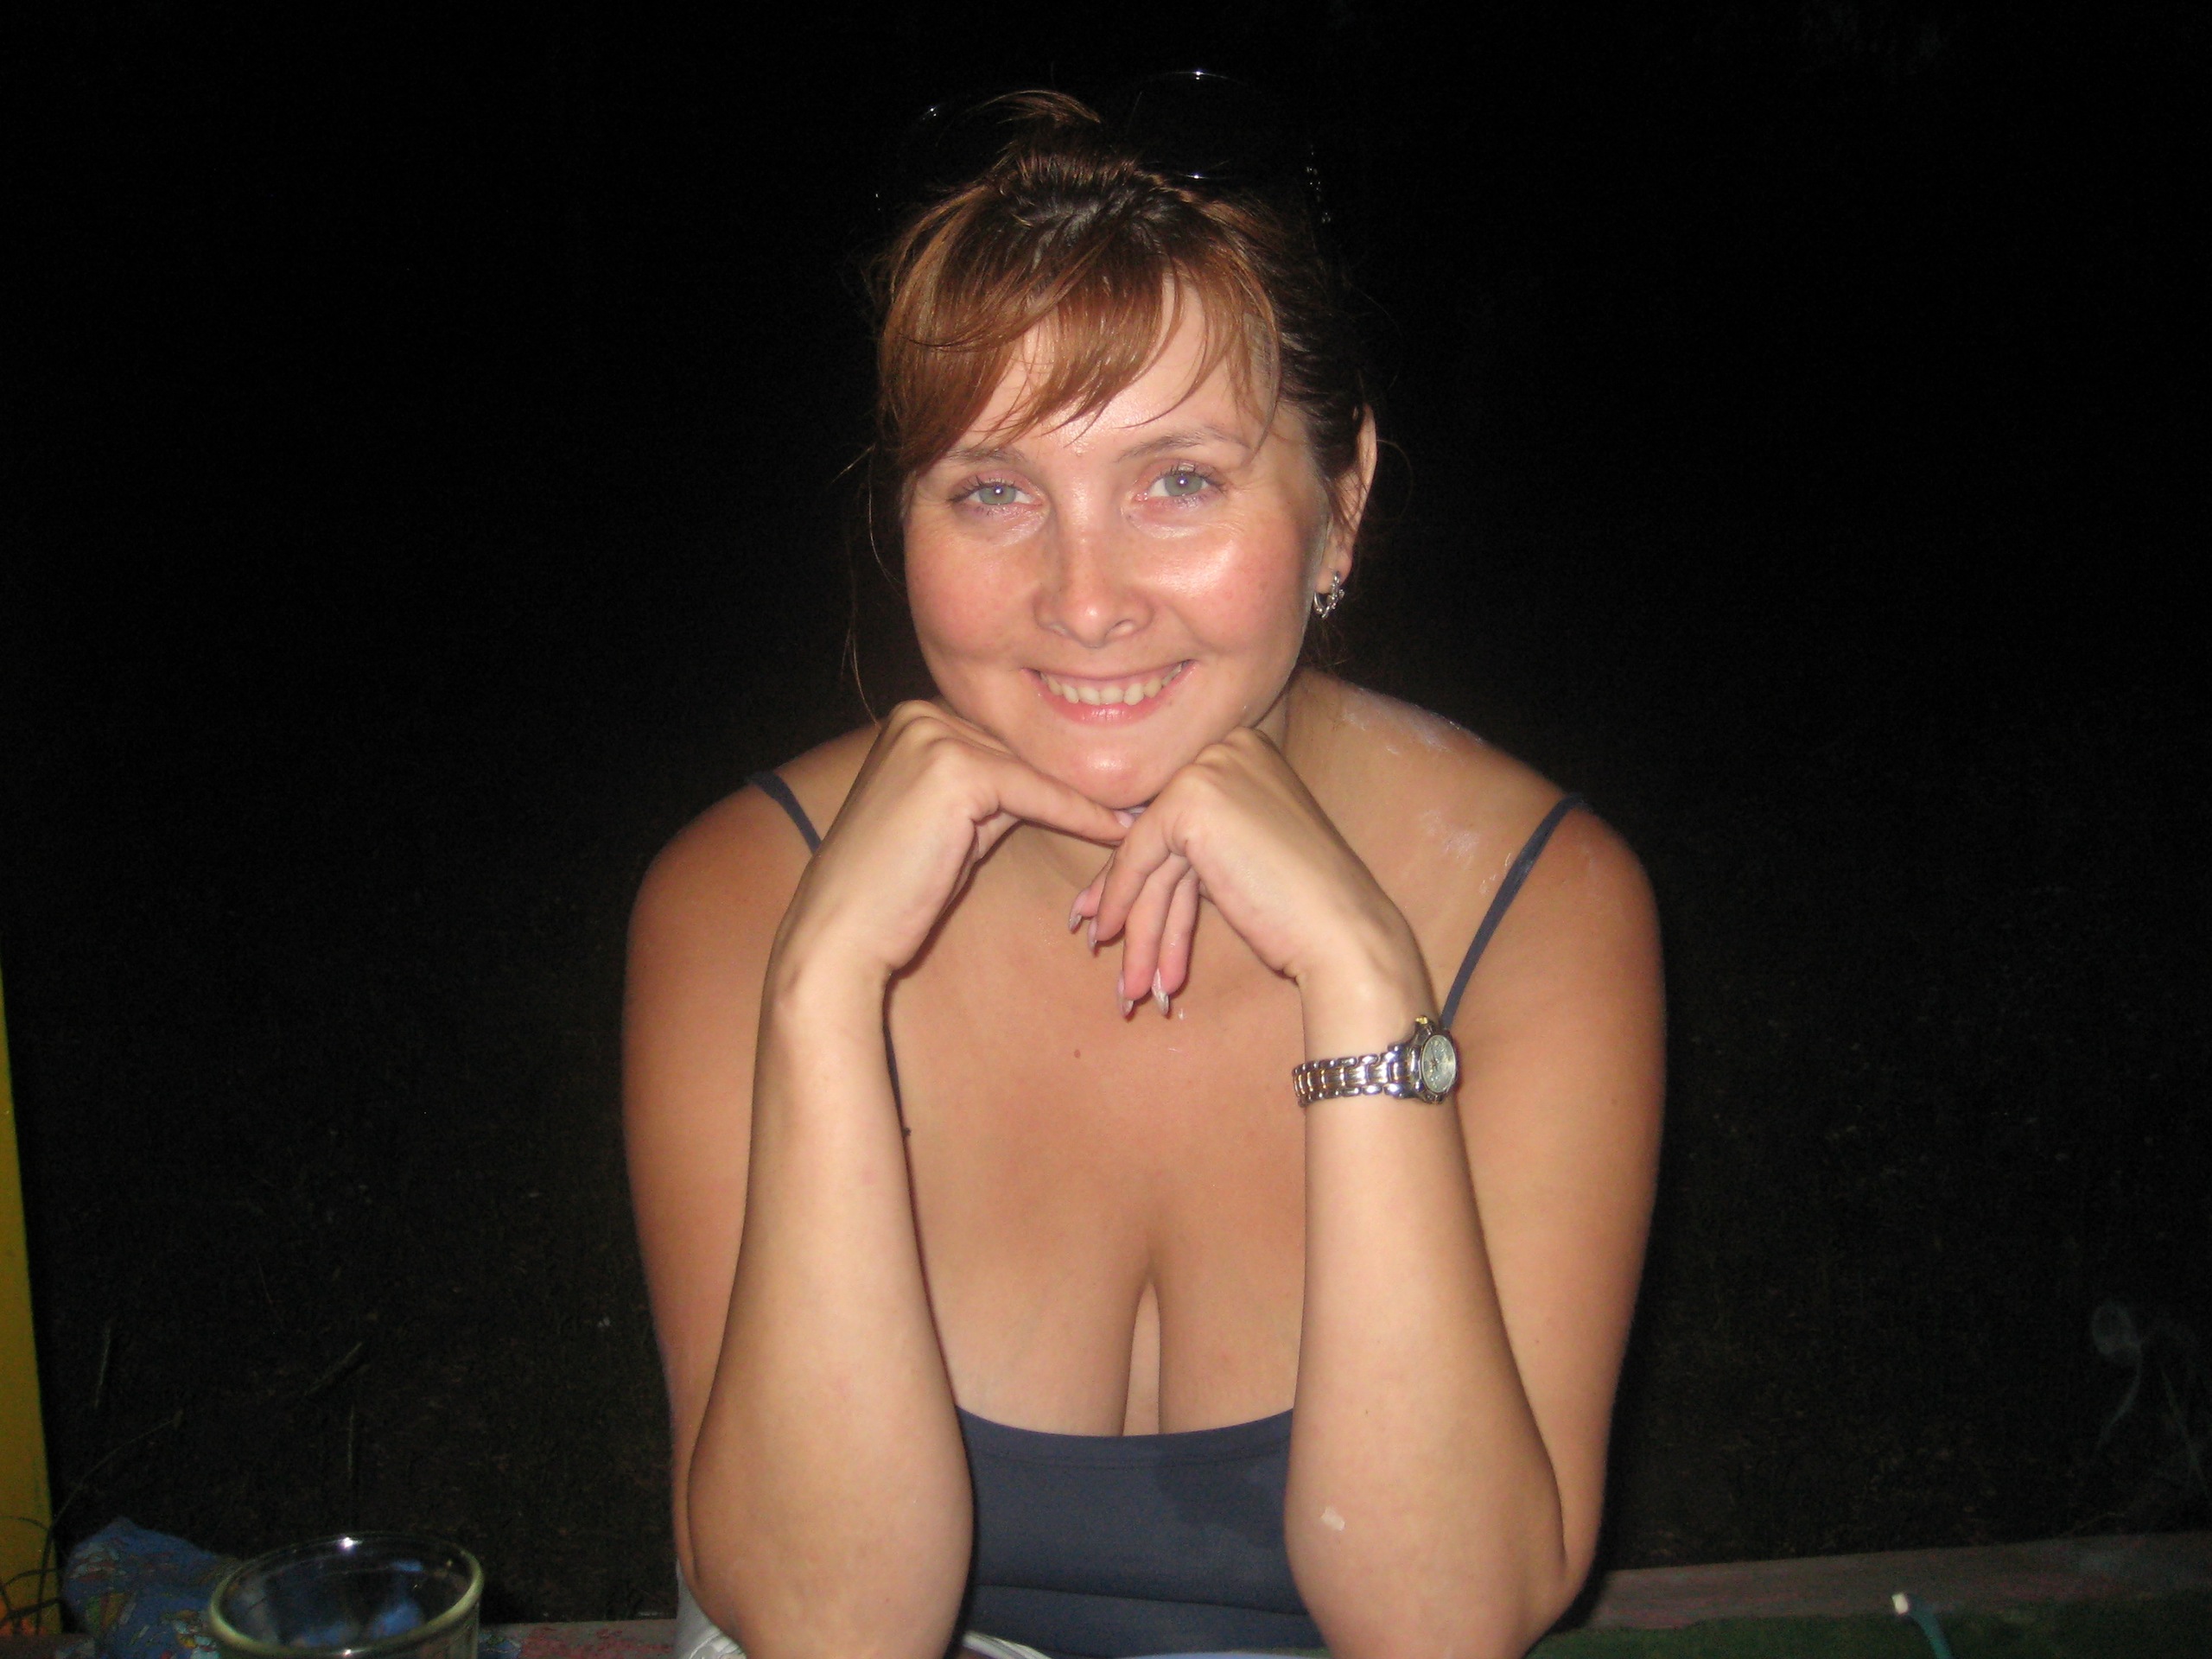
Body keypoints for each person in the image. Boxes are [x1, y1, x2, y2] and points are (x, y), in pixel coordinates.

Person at [624, 79, 1663, 1659]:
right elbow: (824, 1630)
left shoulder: (1542, 909)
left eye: (1179, 480)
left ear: (1343, 502)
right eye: (994, 490)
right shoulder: (735, 903)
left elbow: (1449, 1623)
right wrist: (823, 995)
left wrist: (1364, 978)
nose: (1086, 598)